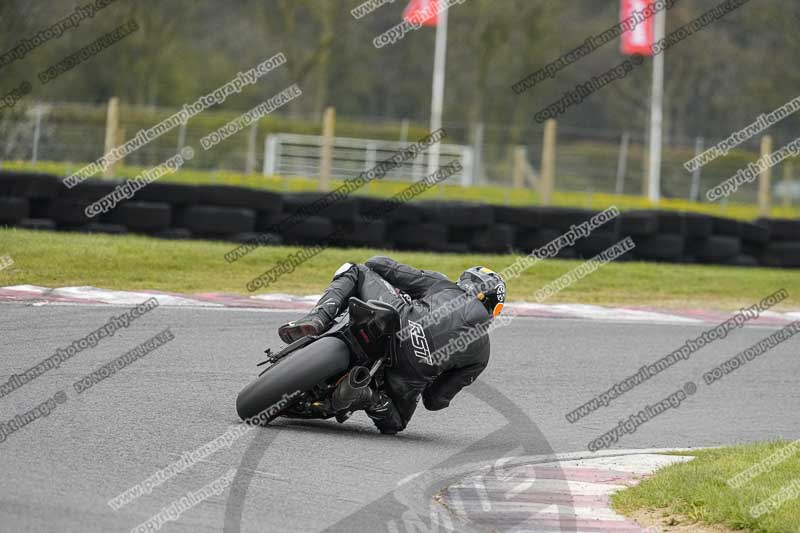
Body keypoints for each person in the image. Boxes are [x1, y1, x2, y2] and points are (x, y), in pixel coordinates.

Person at [278, 256, 506, 434]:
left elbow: (378, 263)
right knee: (394, 425)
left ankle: (316, 320)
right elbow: (435, 401)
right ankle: (369, 397)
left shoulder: (444, 285)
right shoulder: (482, 354)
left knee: (355, 270)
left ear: (465, 281)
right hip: (410, 374)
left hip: (397, 321)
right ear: (494, 309)